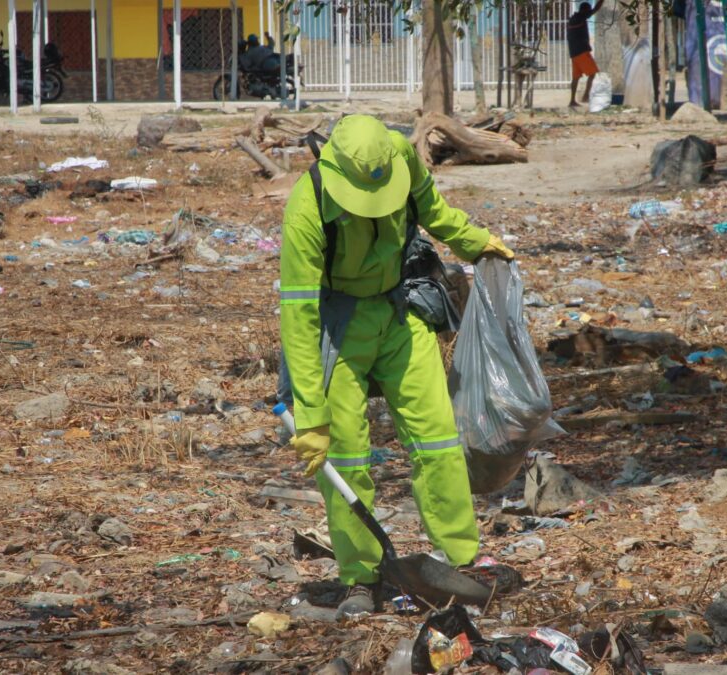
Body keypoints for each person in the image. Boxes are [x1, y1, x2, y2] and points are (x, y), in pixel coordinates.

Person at [279, 115, 515, 619]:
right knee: (343, 456)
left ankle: (462, 560)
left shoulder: (401, 157)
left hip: (398, 309)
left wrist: (475, 241)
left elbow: (433, 210)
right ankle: (360, 577)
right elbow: (298, 313)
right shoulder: (308, 203)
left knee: (438, 438)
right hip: (337, 324)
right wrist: (311, 413)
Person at [568, 0, 604, 107]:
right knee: (592, 73)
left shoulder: (572, 19)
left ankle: (572, 101)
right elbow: (595, 9)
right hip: (582, 51)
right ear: (584, 10)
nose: (589, 12)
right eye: (588, 10)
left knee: (576, 77)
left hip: (574, 53)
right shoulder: (581, 17)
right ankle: (586, 96)